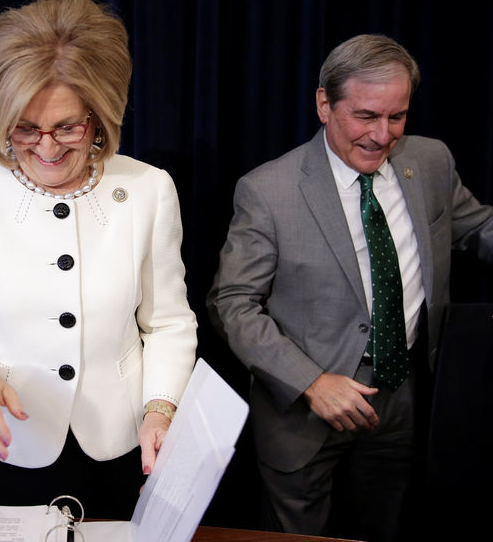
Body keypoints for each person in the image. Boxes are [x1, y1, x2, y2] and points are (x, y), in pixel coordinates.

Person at [0, 0, 197, 518]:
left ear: (100, 114)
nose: (46, 146)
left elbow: (168, 323)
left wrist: (161, 410)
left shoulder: (149, 189)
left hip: (119, 447)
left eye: (68, 126)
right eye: (24, 128)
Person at [207, 34, 493, 541]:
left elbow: (477, 228)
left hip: (400, 398)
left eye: (397, 117)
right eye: (365, 116)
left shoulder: (430, 162)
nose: (383, 136)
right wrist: (312, 382)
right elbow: (232, 304)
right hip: (302, 411)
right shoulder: (268, 190)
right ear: (324, 104)